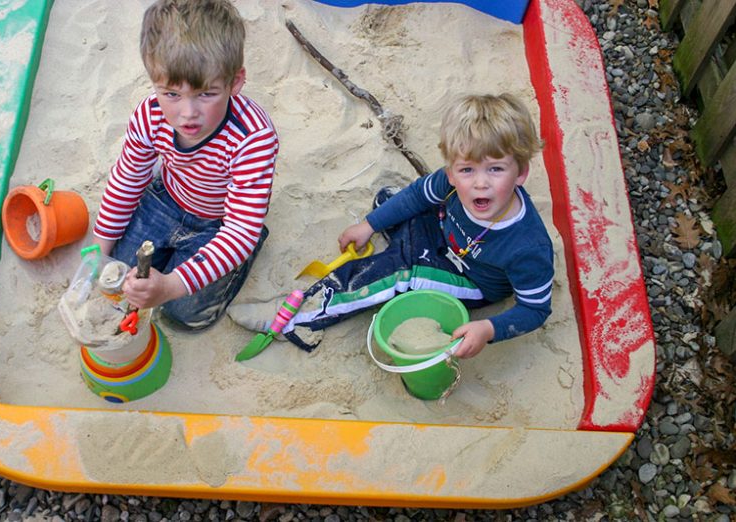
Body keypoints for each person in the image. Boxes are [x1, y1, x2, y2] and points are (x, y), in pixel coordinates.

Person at [229, 93, 552, 358]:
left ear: (521, 173)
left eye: (496, 170)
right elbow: (415, 196)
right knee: (389, 200)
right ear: (451, 171)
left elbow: (535, 309)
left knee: (399, 274)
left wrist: (489, 329)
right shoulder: (450, 182)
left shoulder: (527, 247)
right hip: (443, 233)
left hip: (471, 278)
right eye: (467, 170)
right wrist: (368, 226)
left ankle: (299, 316)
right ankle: (401, 249)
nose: (480, 183)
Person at [92, 0, 279, 330]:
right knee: (119, 277)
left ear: (235, 83)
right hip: (166, 198)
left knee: (184, 312)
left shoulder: (253, 138)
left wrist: (170, 286)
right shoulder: (150, 114)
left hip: (220, 221)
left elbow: (238, 231)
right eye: (171, 94)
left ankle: (244, 258)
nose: (187, 113)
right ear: (155, 82)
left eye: (206, 94)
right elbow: (128, 178)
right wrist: (100, 250)